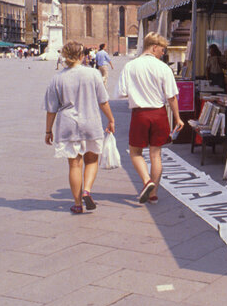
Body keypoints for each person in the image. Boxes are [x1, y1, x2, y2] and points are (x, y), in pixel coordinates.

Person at [44, 40, 116, 214]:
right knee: (91, 160)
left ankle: (77, 204)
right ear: (83, 56)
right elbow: (103, 101)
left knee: (74, 165)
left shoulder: (57, 78)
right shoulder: (93, 74)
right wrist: (111, 119)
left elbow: (51, 108)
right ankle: (87, 190)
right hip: (90, 121)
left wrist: (48, 130)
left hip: (67, 123)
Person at [117, 32, 183, 204]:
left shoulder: (131, 66)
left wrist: (137, 93)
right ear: (154, 47)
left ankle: (146, 180)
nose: (163, 53)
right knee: (156, 154)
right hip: (159, 114)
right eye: (162, 49)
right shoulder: (163, 68)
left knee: (135, 152)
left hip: (140, 114)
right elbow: (171, 97)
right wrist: (177, 118)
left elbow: (122, 93)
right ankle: (153, 193)